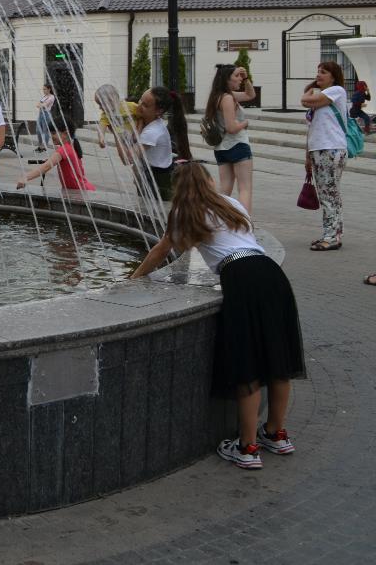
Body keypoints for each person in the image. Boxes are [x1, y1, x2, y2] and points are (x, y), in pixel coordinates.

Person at [130, 162, 304, 470]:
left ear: (178, 189)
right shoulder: (231, 203)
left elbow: (161, 251)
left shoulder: (185, 213)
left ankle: (247, 447)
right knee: (279, 356)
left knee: (247, 362)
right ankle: (276, 433)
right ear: (209, 181)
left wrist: (133, 279)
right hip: (271, 274)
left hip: (241, 278)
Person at [301, 61, 349, 251]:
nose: (319, 75)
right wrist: (307, 156)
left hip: (331, 149)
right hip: (319, 149)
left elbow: (304, 100)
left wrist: (309, 89)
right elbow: (311, 128)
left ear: (333, 77)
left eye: (324, 72)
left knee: (329, 195)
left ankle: (331, 237)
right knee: (329, 194)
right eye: (318, 72)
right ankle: (333, 233)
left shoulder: (337, 91)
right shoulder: (320, 97)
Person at [205, 64, 257, 213]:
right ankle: (245, 225)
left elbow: (250, 95)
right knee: (245, 189)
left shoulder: (217, 96)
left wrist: (247, 79)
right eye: (236, 76)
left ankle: (218, 221)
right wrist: (245, 123)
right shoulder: (228, 98)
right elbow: (231, 128)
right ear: (227, 80)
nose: (239, 79)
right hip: (237, 145)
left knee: (225, 191)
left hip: (221, 148)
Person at [131, 86, 191, 202]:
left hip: (157, 181)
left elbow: (128, 157)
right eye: (140, 101)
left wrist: (115, 131)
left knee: (155, 214)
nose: (139, 106)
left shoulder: (153, 132)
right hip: (153, 175)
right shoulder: (148, 124)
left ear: (159, 111)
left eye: (145, 105)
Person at [16, 120, 94, 191]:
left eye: (53, 133)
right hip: (81, 190)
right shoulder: (70, 146)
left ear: (66, 133)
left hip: (81, 192)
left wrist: (25, 177)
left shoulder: (64, 149)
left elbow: (46, 166)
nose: (51, 136)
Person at [94, 84, 137, 162]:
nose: (100, 108)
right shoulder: (106, 114)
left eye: (101, 104)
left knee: (133, 157)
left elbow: (142, 116)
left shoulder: (130, 106)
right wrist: (101, 138)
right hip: (122, 138)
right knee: (126, 159)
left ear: (110, 100)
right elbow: (102, 126)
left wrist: (138, 130)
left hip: (135, 136)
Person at [35, 84, 56, 152]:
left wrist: (41, 105)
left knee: (45, 130)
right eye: (43, 89)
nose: (44, 90)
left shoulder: (51, 97)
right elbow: (38, 104)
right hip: (40, 114)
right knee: (38, 130)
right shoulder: (44, 97)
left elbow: (44, 105)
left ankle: (44, 146)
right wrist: (40, 105)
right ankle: (40, 145)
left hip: (46, 114)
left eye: (45, 89)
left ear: (49, 89)